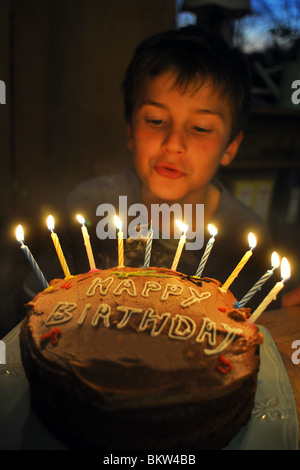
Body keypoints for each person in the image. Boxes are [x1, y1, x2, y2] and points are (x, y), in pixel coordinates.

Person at [25, 25, 276, 310]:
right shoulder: (87, 206)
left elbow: (262, 322)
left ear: (230, 146)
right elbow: (35, 303)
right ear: (130, 130)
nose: (173, 143)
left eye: (200, 128)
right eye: (156, 120)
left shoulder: (244, 234)